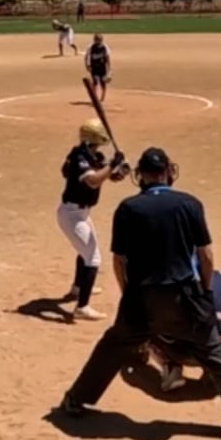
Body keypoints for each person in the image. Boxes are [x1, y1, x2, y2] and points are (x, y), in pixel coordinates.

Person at [53, 147, 221, 440]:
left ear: (141, 176)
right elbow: (205, 255)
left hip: (142, 298)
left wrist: (128, 296)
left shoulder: (128, 208)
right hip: (185, 297)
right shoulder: (189, 204)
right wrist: (204, 292)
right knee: (215, 352)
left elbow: (119, 261)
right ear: (168, 172)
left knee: (112, 347)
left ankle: (76, 400)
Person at [57, 118, 129, 321]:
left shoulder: (93, 156)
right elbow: (93, 181)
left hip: (81, 213)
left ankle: (78, 288)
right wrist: (112, 165)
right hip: (71, 214)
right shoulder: (79, 157)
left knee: (86, 251)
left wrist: (120, 170)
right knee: (93, 258)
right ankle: (82, 307)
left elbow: (109, 176)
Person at [149, 267, 221, 393]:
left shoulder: (166, 282)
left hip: (178, 352)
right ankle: (214, 371)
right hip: (214, 353)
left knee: (150, 326)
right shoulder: (220, 278)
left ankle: (171, 367)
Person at [84, 33, 112, 102]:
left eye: (99, 40)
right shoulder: (90, 47)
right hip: (94, 68)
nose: (98, 41)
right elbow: (86, 57)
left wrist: (109, 70)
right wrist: (87, 65)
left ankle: (102, 98)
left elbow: (107, 58)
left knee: (103, 82)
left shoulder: (105, 47)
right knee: (95, 82)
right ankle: (95, 97)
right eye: (97, 39)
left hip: (102, 68)